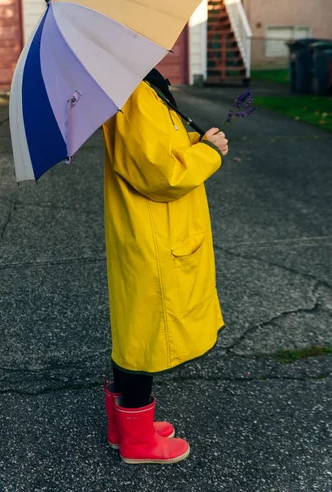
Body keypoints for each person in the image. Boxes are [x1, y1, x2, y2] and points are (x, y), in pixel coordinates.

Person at [101, 68, 228, 465]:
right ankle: (137, 443)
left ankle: (125, 426)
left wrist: (195, 140)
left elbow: (158, 148)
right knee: (144, 337)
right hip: (152, 236)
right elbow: (161, 173)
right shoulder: (134, 93)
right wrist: (208, 152)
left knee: (136, 330)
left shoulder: (141, 87)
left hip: (148, 233)